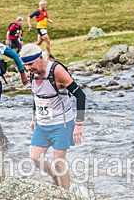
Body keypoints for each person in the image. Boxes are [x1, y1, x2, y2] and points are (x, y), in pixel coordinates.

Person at [21, 44, 86, 190]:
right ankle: (55, 178)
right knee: (34, 158)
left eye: (31, 64)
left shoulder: (56, 71)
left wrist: (79, 124)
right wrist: (34, 118)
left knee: (58, 162)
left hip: (61, 123)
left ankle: (66, 195)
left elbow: (80, 95)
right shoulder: (33, 72)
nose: (29, 68)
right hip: (43, 124)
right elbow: (37, 96)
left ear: (40, 58)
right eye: (26, 65)